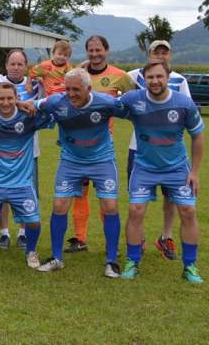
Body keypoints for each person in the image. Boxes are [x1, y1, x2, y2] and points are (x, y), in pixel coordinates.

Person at [117, 61, 204, 283]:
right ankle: (133, 262)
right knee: (136, 210)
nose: (155, 81)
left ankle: (190, 266)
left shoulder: (184, 104)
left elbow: (198, 137)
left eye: (159, 77)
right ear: (144, 80)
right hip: (144, 166)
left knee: (188, 211)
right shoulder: (133, 100)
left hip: (176, 168)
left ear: (168, 78)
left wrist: (194, 172)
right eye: (150, 78)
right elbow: (105, 104)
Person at [34, 68, 123, 278]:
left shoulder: (106, 103)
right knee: (59, 205)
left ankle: (111, 261)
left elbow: (132, 111)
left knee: (110, 206)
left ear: (89, 88)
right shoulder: (57, 102)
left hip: (102, 160)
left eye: (76, 90)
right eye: (68, 89)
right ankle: (56, 258)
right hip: (71, 160)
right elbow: (34, 105)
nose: (71, 94)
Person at [0, 83, 54, 268]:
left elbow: (53, 111)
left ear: (16, 99)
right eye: (1, 98)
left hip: (21, 182)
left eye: (10, 98)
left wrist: (33, 104)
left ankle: (31, 251)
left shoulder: (28, 116)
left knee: (33, 221)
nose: (6, 102)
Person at [66, 36, 136, 253]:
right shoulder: (80, 74)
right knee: (80, 192)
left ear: (107, 51)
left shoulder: (119, 76)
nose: (95, 54)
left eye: (99, 50)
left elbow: (136, 99)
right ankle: (80, 238)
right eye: (91, 50)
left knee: (106, 197)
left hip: (103, 145)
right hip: (77, 144)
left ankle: (110, 243)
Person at [126, 40, 190, 260]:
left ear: (170, 55)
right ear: (149, 53)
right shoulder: (133, 76)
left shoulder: (179, 80)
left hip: (169, 151)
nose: (160, 55)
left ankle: (166, 237)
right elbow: (109, 84)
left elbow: (187, 112)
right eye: (156, 51)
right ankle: (139, 239)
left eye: (165, 52)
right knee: (137, 203)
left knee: (170, 197)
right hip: (139, 148)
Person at [0, 49, 41, 249]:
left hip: (29, 149)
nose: (15, 67)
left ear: (26, 66)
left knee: (27, 191)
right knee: (2, 192)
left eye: (19, 64)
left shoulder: (36, 86)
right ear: (6, 66)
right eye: (12, 64)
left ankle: (23, 232)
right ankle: (4, 233)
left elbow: (45, 105)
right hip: (1, 149)